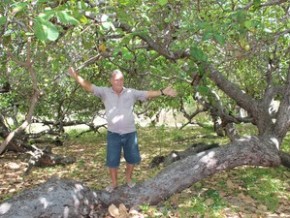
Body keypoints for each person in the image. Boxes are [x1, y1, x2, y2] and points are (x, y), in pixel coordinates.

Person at [68, 67, 177, 192]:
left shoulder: (131, 92)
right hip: (113, 134)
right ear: (111, 81)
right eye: (116, 80)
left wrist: (163, 92)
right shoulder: (104, 92)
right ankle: (114, 183)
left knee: (131, 158)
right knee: (112, 160)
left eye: (121, 80)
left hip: (130, 133)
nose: (119, 82)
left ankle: (128, 179)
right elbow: (89, 86)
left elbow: (147, 93)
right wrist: (76, 76)